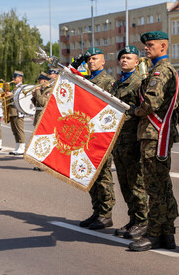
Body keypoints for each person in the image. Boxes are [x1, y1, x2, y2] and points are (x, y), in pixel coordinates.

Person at [127, 31, 179, 252]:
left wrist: (134, 111)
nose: (146, 48)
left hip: (154, 134)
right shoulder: (160, 70)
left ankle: (155, 234)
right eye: (145, 45)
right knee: (162, 186)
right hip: (155, 134)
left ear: (163, 46)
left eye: (150, 45)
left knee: (155, 187)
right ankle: (167, 233)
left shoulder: (160, 71)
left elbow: (151, 104)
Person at [111, 46, 149, 239]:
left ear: (137, 62)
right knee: (125, 184)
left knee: (136, 183)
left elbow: (143, 110)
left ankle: (143, 221)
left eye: (129, 58)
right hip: (119, 142)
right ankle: (133, 219)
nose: (124, 60)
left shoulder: (140, 82)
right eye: (122, 57)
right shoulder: (116, 85)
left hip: (133, 139)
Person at [76, 47, 116, 230]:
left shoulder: (108, 81)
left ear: (103, 62)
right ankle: (97, 211)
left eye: (95, 58)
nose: (91, 61)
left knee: (104, 176)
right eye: (89, 59)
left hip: (101, 134)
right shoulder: (86, 80)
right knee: (90, 175)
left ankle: (106, 214)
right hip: (86, 134)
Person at [6, 71, 26, 155]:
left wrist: (11, 94)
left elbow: (21, 97)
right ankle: (18, 146)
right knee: (14, 130)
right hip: (13, 111)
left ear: (20, 78)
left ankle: (22, 147)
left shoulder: (22, 87)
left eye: (15, 78)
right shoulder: (15, 87)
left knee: (19, 130)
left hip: (18, 111)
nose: (13, 79)